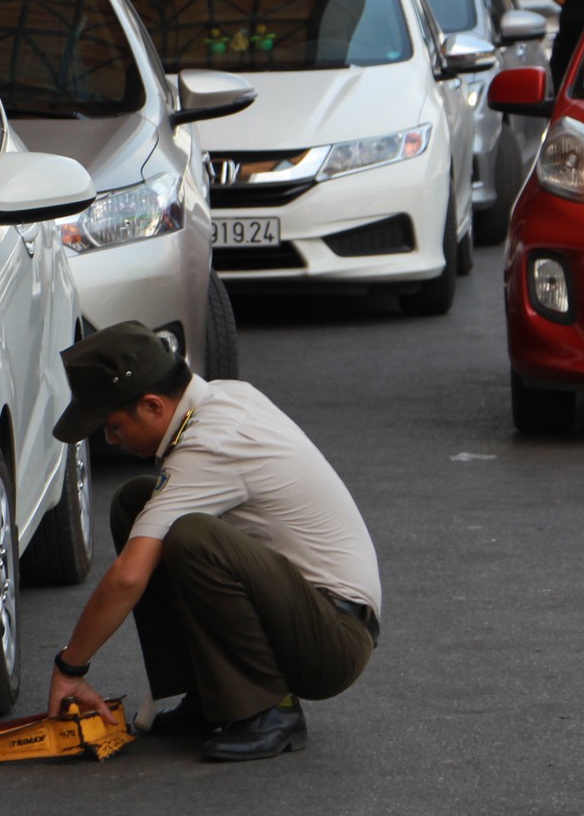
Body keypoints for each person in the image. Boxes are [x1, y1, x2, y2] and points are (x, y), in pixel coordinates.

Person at [41, 322, 382, 763]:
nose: (110, 440)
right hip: (310, 613)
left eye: (112, 426)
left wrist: (70, 668)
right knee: (136, 503)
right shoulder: (220, 398)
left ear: (151, 404)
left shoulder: (210, 443)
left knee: (190, 537)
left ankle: (268, 710)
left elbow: (128, 578)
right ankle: (211, 696)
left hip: (332, 642)